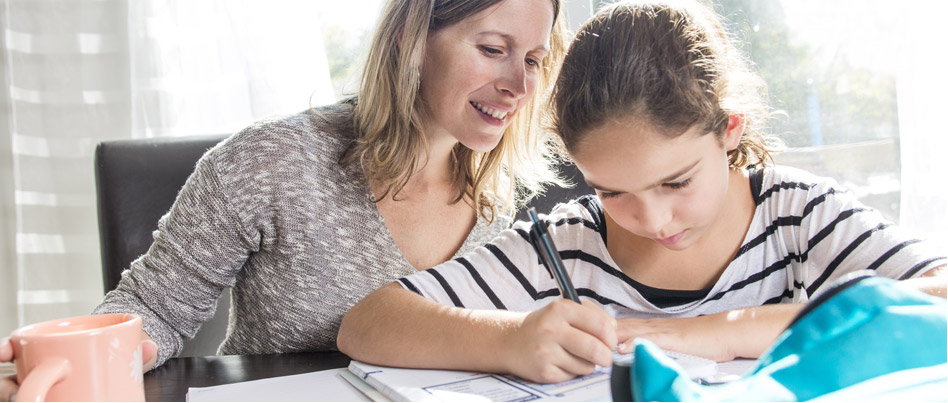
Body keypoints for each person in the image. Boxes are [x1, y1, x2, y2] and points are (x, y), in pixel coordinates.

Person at [337, 0, 947, 384]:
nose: (651, 218)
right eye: (612, 190)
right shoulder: (568, 243)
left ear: (728, 130)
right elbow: (366, 325)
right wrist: (510, 339)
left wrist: (705, 333)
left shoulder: (798, 214)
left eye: (676, 181)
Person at [1, 0, 569, 399]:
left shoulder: (510, 199)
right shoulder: (269, 161)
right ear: (411, 39)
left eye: (534, 61)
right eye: (495, 49)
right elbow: (154, 307)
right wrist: (73, 363)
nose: (518, 87)